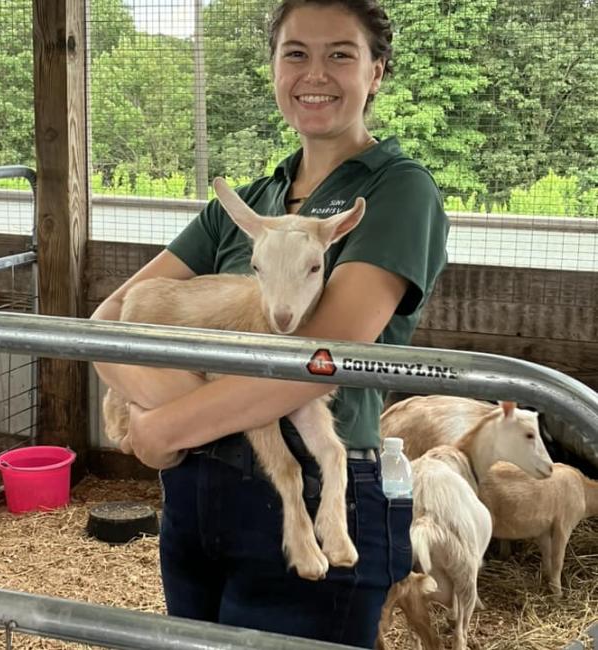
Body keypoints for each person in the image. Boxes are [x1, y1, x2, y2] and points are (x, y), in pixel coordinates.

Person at [92, 0, 449, 647]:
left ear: (377, 72)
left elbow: (313, 364)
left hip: (318, 484)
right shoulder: (247, 203)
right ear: (274, 71)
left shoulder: (397, 191)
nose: (315, 72)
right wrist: (171, 424)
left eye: (341, 53)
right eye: (295, 53)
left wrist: (162, 426)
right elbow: (108, 321)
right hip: (196, 494)